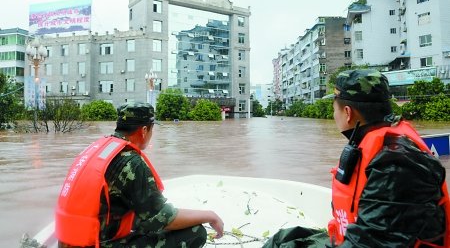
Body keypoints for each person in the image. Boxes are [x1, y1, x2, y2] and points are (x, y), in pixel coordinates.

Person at [263, 69, 450, 247]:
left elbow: (374, 242)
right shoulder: (376, 146)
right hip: (354, 237)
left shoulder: (397, 163)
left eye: (334, 109)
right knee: (284, 240)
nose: (333, 115)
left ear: (347, 113)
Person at [55, 102, 224, 248]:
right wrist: (210, 215)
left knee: (140, 219)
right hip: (96, 244)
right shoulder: (132, 163)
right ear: (144, 131)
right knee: (195, 232)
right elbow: (164, 218)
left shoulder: (100, 149)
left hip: (70, 241)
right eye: (151, 130)